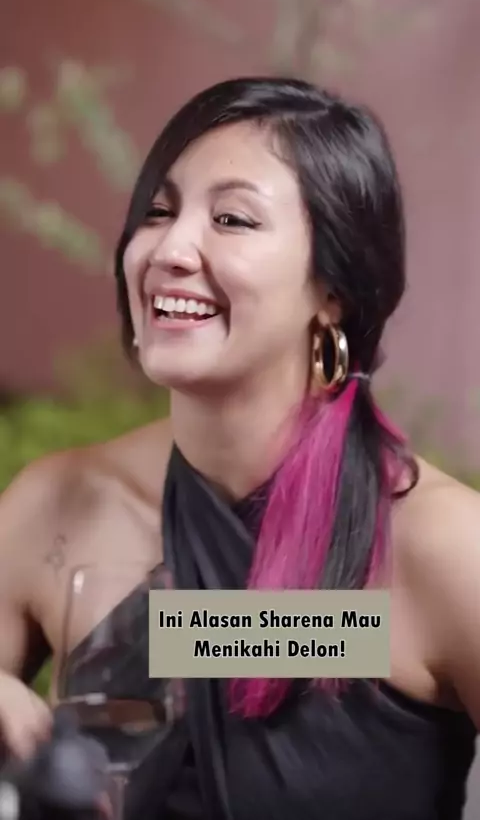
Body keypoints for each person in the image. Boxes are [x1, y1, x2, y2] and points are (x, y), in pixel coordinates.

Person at [0, 75, 479, 819]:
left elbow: (297, 639)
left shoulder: (442, 546)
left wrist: (184, 637)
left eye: (232, 218)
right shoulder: (59, 504)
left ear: (334, 288)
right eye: (157, 212)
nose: (168, 248)